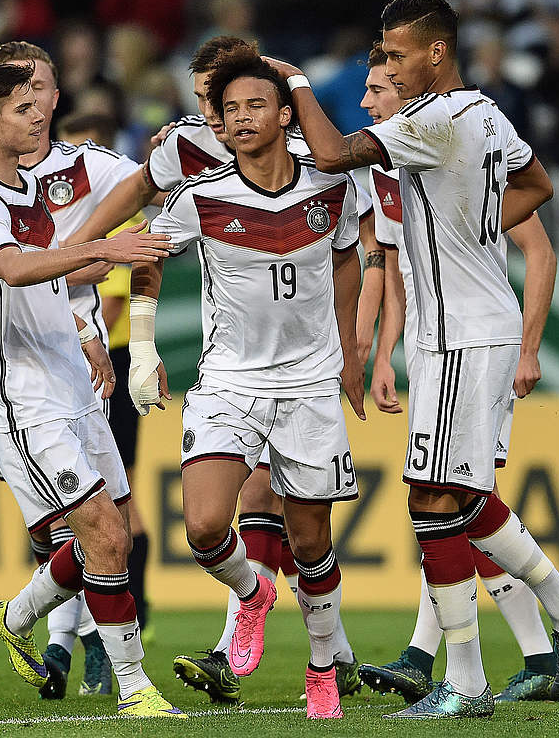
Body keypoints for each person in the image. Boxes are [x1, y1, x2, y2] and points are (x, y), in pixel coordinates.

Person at [264, 0, 559, 718]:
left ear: (435, 52)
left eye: (393, 54)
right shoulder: (485, 112)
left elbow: (330, 152)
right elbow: (537, 184)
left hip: (458, 334)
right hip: (469, 325)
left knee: (432, 497)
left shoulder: (434, 118)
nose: (386, 64)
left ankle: (469, 681)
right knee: (463, 496)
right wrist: (476, 231)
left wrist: (295, 80)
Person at [66, 35, 366, 705]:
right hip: (230, 380)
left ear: (283, 110)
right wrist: (86, 272)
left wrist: (352, 348)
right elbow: (142, 248)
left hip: (309, 384)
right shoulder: (199, 186)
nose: (231, 116)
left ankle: (323, 666)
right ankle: (253, 593)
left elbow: (352, 256)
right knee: (204, 527)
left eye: (251, 103)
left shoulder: (330, 178)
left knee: (312, 541)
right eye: (221, 105)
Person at [0, 59, 183, 719]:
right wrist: (106, 251)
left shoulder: (35, 180)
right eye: (23, 108)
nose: (40, 114)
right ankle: (134, 688)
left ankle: (15, 615)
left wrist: (87, 332)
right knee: (102, 534)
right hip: (26, 393)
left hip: (75, 378)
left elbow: (62, 269)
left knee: (119, 533)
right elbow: (16, 270)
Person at [352, 40, 559, 705]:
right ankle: (536, 651)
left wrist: (529, 348)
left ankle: (456, 655)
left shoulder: (453, 156)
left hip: (475, 342)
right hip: (432, 348)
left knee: (449, 499)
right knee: (449, 502)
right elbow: (395, 272)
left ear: (404, 96)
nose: (367, 102)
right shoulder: (391, 175)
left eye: (378, 91)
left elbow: (539, 248)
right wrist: (385, 354)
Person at [0, 40, 153, 702]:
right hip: (19, 376)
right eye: (18, 87)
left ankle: (77, 647)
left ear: (59, 97)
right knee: (55, 529)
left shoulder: (92, 170)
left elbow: (153, 193)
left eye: (42, 85)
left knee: (103, 525)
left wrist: (130, 344)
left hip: (91, 371)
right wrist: (87, 293)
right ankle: (65, 641)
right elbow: (23, 272)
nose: (32, 97)